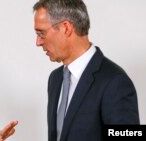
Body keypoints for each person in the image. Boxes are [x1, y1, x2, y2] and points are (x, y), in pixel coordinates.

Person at [33, 0, 140, 141]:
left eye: (42, 33)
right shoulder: (56, 79)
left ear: (66, 27)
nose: (38, 42)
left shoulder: (115, 82)